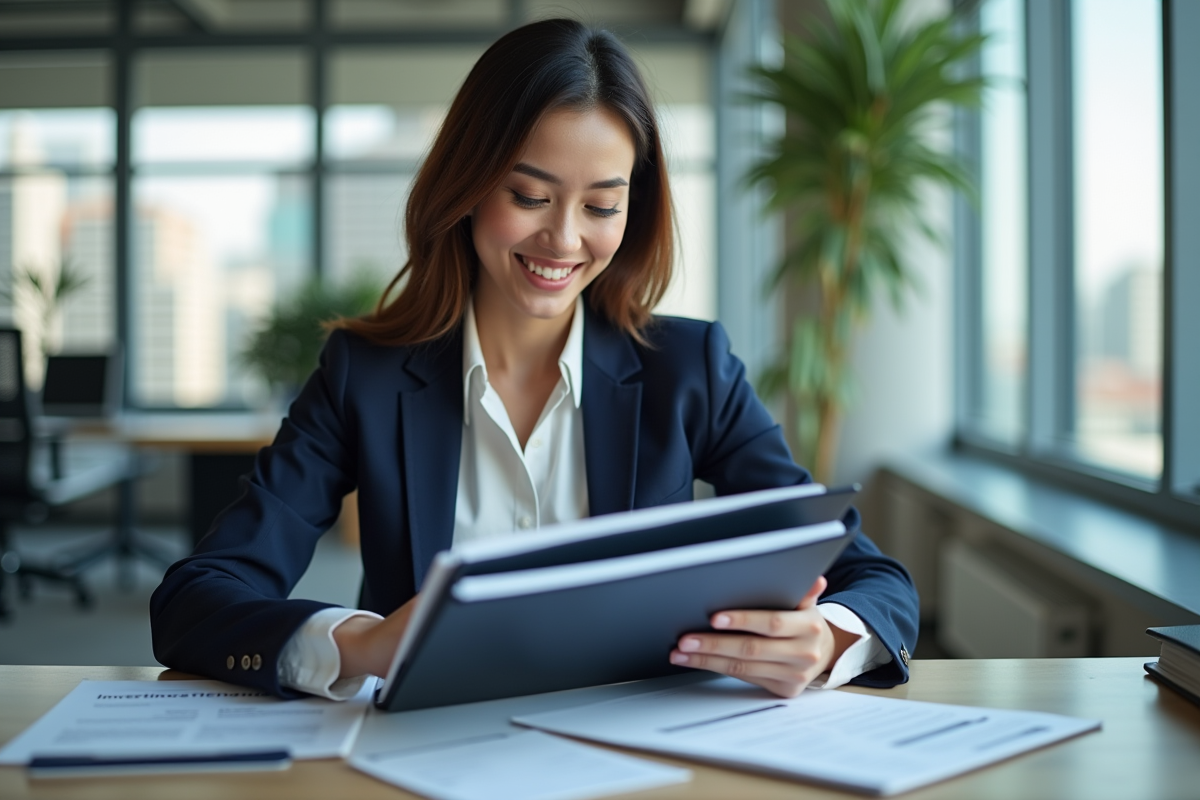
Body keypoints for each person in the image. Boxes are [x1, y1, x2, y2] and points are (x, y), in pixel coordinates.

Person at [150, 18, 918, 702]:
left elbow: (875, 580)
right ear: (467, 185)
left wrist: (827, 640)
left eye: (601, 204)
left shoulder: (691, 369)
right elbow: (197, 598)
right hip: (425, 757)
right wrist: (363, 643)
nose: (563, 239)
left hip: (640, 758)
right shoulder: (367, 374)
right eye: (529, 194)